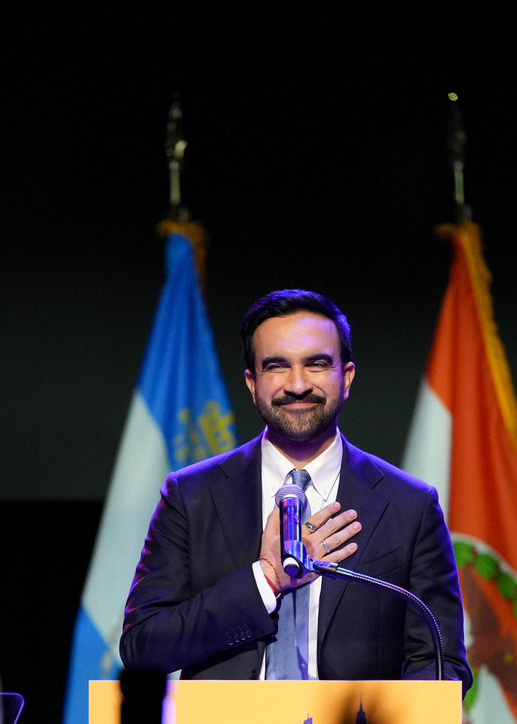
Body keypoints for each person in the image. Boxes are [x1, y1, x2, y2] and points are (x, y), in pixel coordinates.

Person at [120, 289, 471, 687]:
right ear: (252, 383)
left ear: (347, 377)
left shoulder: (409, 506)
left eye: (317, 364)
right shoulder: (191, 497)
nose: (298, 384)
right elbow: (142, 649)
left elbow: (443, 665)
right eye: (277, 366)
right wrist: (266, 581)